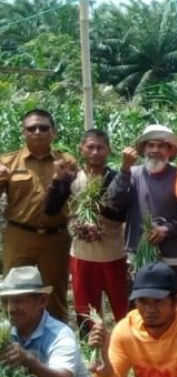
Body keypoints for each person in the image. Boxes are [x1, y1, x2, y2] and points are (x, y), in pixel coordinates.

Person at [42, 128, 129, 323]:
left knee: (124, 312)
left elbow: (122, 213)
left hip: (113, 255)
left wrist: (97, 214)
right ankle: (92, 352)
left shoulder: (116, 178)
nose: (95, 152)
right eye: (90, 147)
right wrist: (57, 179)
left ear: (108, 150)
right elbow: (50, 209)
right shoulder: (71, 178)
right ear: (82, 149)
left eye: (100, 147)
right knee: (86, 315)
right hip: (83, 257)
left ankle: (125, 349)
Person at [0, 109, 77, 321]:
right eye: (31, 128)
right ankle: (12, 344)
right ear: (23, 133)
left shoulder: (66, 161)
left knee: (54, 295)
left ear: (53, 132)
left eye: (43, 128)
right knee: (14, 292)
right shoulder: (8, 162)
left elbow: (79, 196)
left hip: (55, 237)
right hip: (19, 235)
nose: (37, 132)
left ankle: (57, 345)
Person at [104, 123, 177, 287]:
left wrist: (166, 229)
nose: (155, 150)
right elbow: (113, 201)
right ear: (144, 150)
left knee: (171, 300)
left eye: (161, 146)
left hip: (171, 253)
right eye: (151, 145)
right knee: (139, 303)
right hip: (139, 251)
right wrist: (124, 168)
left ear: (170, 150)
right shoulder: (132, 174)